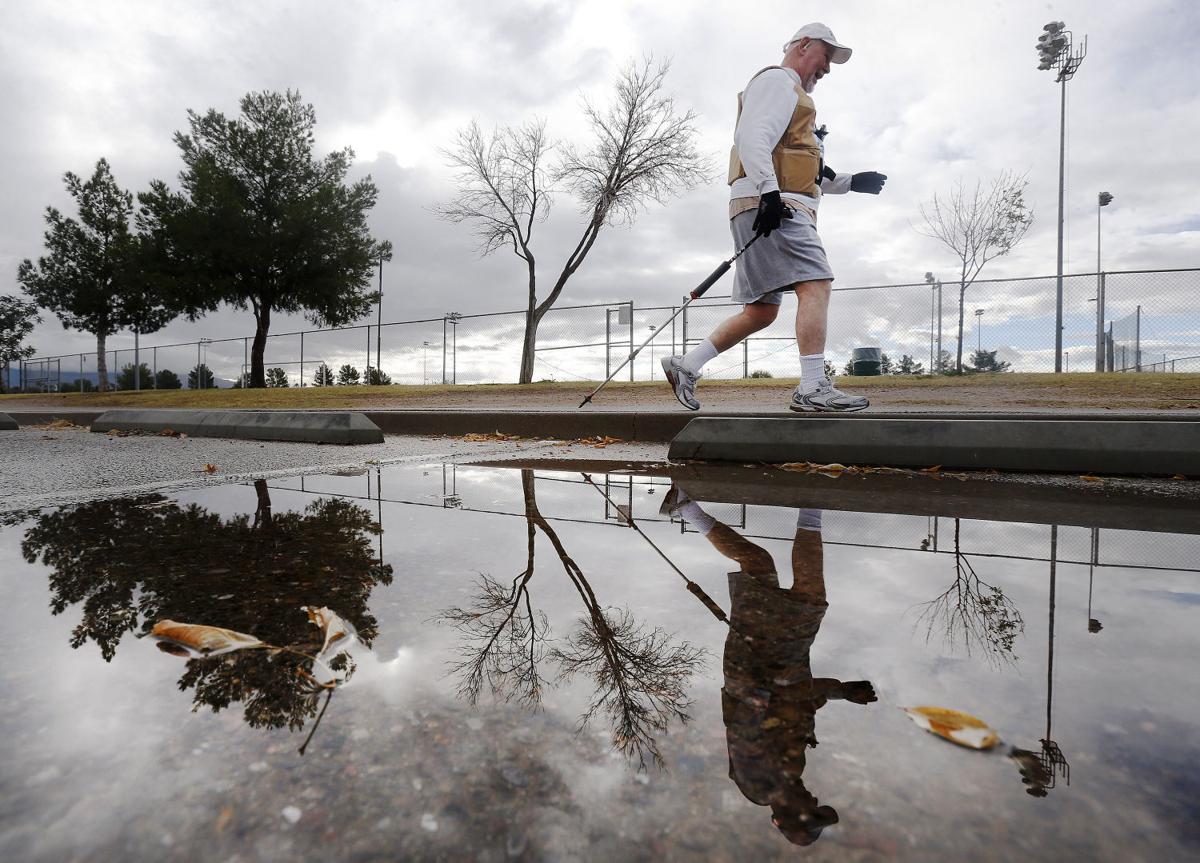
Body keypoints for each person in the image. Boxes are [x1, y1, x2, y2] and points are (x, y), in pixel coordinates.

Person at [662, 23, 887, 412]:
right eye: (825, 57)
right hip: (774, 205)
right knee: (816, 281)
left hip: (764, 203)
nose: (828, 69)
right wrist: (768, 193)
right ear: (803, 46)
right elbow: (753, 136)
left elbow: (804, 170)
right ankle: (813, 387)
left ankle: (687, 365)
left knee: (762, 311)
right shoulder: (778, 81)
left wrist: (850, 183)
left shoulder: (791, 95)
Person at [661, 487, 877, 845]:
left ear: (789, 813)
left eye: (812, 809)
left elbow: (746, 720)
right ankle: (684, 507)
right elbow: (797, 707)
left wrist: (771, 679)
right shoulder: (791, 774)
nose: (814, 800)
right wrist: (840, 691)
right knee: (761, 566)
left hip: (757, 665)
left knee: (806, 597)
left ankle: (811, 499)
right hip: (779, 664)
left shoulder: (759, 786)